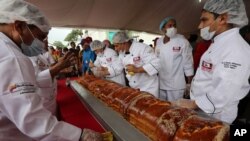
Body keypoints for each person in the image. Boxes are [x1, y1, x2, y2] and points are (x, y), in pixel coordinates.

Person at [0, 0, 102, 140]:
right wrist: (79, 135)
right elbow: (32, 119)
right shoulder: (12, 57)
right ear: (19, 26)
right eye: (40, 37)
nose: (42, 43)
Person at [174, 0, 250, 124]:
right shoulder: (219, 42)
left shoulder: (236, 49)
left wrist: (192, 104)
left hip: (216, 116)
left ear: (223, 19)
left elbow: (224, 92)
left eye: (204, 20)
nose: (199, 26)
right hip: (201, 110)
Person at [156, 17, 194, 101]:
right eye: (169, 26)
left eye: (174, 25)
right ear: (163, 28)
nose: (172, 28)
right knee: (163, 108)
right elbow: (156, 60)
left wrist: (189, 84)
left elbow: (188, 63)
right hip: (161, 83)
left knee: (175, 110)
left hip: (176, 85)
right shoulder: (159, 41)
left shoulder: (182, 41)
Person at [113, 31, 160, 97]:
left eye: (116, 46)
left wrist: (137, 69)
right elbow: (117, 67)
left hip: (148, 88)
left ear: (124, 43)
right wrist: (105, 70)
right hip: (134, 88)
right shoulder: (121, 54)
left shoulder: (142, 48)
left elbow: (157, 64)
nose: (116, 49)